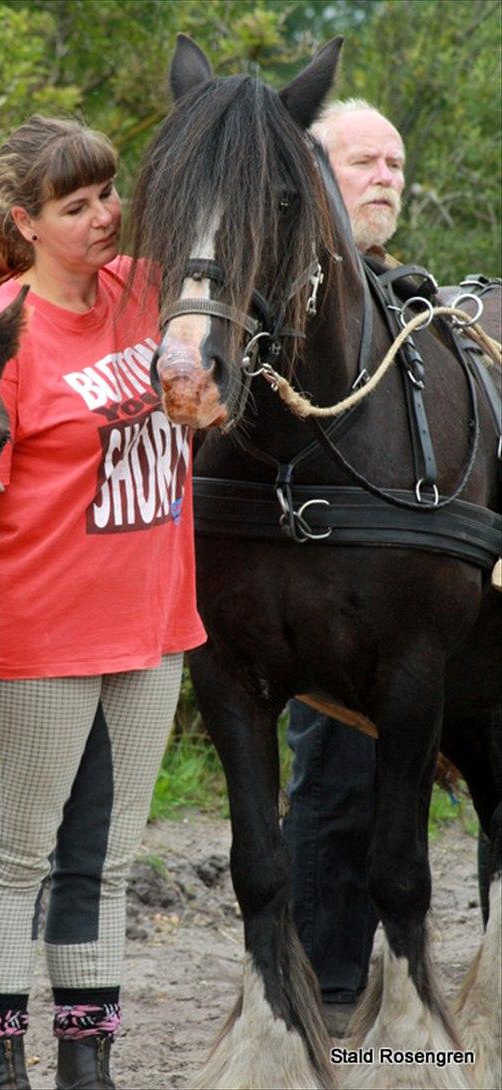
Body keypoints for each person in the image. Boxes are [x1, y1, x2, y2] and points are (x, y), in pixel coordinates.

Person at [0, 116, 206, 1090]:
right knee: (14, 857)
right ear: (23, 222)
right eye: (74, 206)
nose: (103, 217)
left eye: (108, 195)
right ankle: (2, 1070)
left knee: (106, 859)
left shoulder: (151, 293)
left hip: (152, 626)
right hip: (36, 632)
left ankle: (87, 1065)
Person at [282, 99, 406, 1035]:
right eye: (363, 160)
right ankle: (325, 981)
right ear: (312, 174)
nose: (386, 178)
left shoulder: (407, 298)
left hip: (417, 590)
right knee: (333, 769)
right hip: (312, 580)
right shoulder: (284, 304)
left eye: (396, 165)